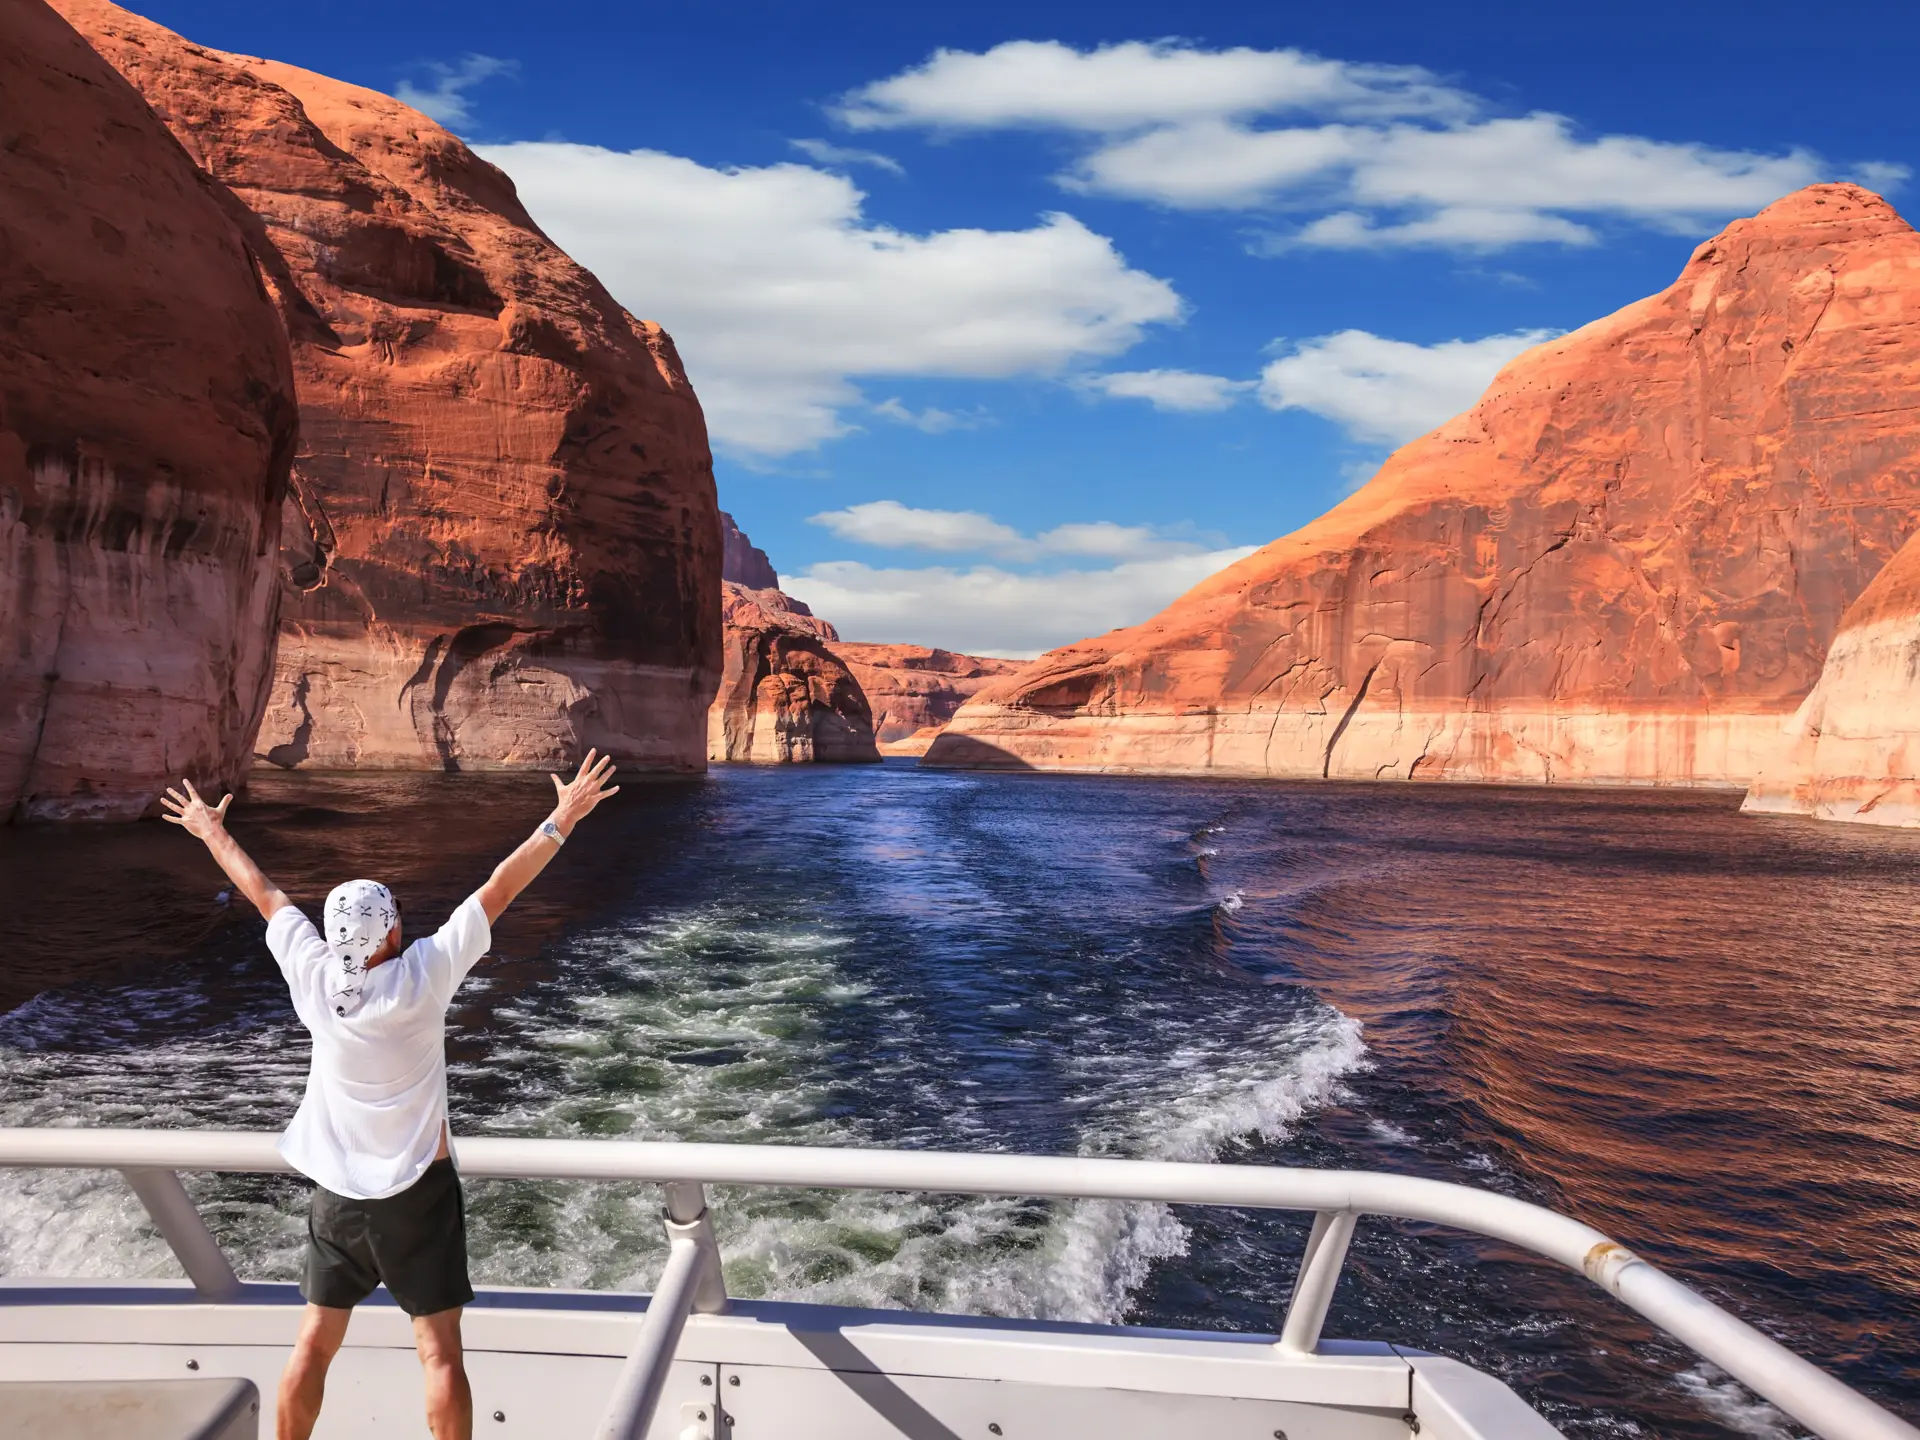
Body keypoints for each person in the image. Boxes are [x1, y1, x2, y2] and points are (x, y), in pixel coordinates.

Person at [161, 753, 622, 1440]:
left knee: (313, 1345)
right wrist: (563, 818)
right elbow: (500, 888)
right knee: (438, 1354)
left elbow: (261, 892)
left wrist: (208, 830)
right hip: (418, 1192)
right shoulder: (424, 977)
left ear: (337, 931)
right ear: (393, 930)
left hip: (338, 1196)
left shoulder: (315, 979)